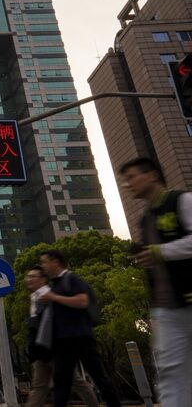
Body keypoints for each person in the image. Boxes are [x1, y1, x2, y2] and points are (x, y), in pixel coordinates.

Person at [119, 157, 192, 407]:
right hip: (166, 308)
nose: (128, 185)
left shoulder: (182, 201)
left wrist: (160, 252)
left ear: (151, 175)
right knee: (170, 371)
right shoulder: (144, 219)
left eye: (131, 177)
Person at [38, 250, 120, 407]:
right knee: (61, 381)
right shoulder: (53, 285)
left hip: (80, 337)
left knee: (99, 377)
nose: (43, 266)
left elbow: (83, 301)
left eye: (45, 262)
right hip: (62, 341)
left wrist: (54, 298)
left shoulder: (72, 279)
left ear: (55, 262)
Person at [24, 265, 99, 407]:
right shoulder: (34, 297)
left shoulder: (49, 294)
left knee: (75, 381)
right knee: (39, 386)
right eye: (28, 277)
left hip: (54, 349)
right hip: (40, 350)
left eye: (33, 276)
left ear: (43, 279)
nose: (29, 279)